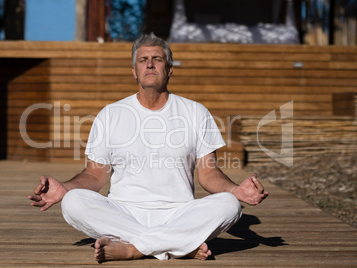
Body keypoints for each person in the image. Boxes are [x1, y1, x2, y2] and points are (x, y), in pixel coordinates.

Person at [28, 33, 269, 263]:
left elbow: (209, 173)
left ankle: (133, 249)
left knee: (229, 205)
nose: (150, 65)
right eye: (143, 60)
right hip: (123, 212)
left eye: (158, 59)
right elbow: (94, 175)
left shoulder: (196, 112)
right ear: (134, 71)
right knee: (73, 202)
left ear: (170, 69)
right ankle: (178, 246)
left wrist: (235, 190)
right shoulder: (110, 114)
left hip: (178, 213)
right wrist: (65, 188)